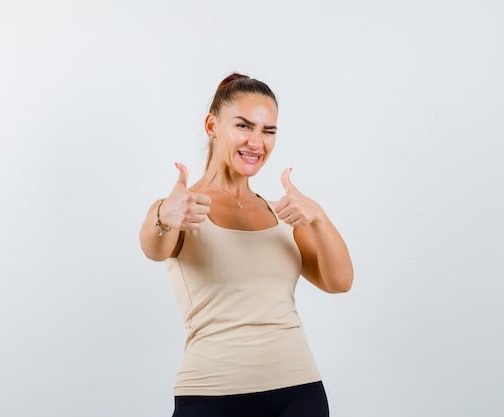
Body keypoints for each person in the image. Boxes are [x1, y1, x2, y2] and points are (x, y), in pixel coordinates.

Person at [139, 73, 353, 417]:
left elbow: (339, 282)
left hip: (299, 393)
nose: (257, 142)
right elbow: (153, 247)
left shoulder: (282, 213)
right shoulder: (183, 207)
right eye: (244, 126)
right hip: (211, 396)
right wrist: (165, 214)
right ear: (212, 125)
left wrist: (318, 216)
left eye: (268, 131)